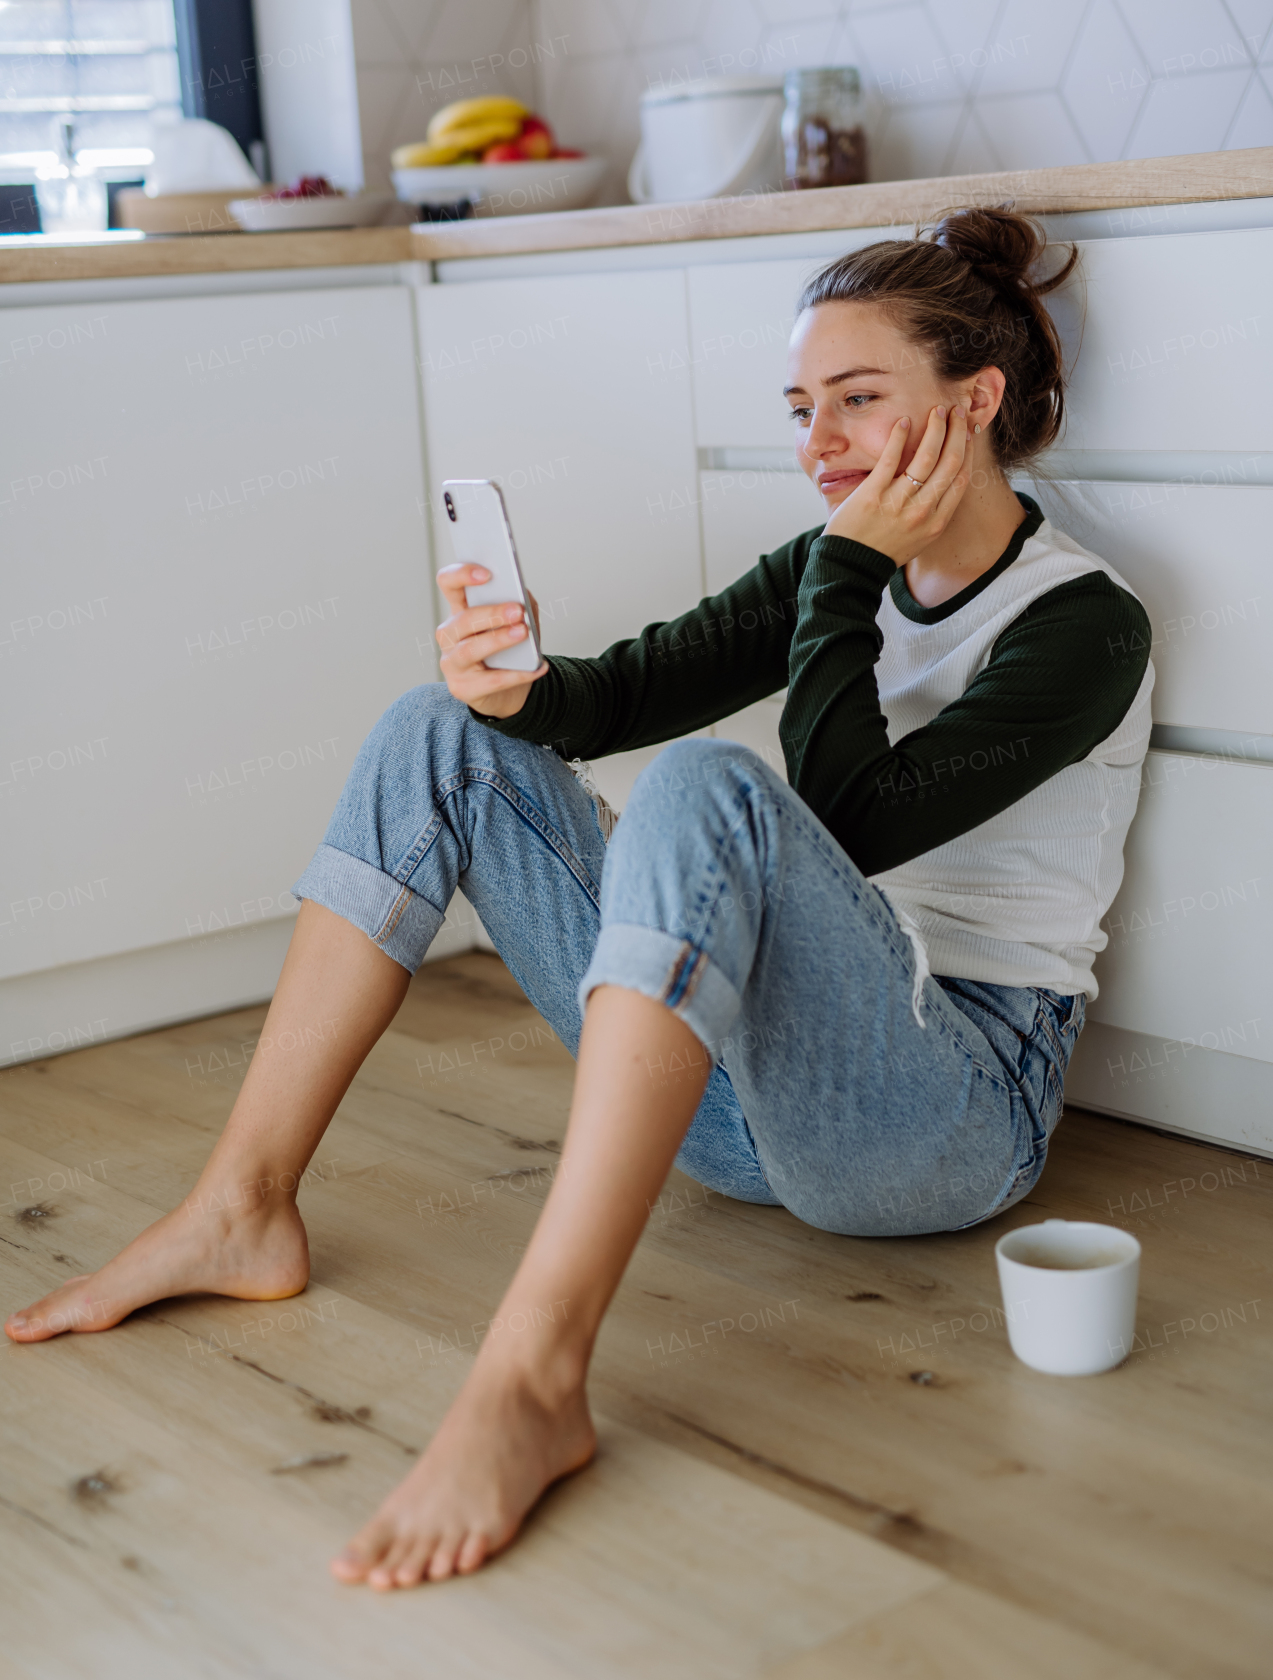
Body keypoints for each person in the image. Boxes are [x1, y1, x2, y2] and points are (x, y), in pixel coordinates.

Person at [6, 207, 1153, 1590]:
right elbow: (611, 698)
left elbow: (849, 819)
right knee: (439, 732)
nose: (821, 442)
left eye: (861, 400)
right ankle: (238, 1206)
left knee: (701, 790)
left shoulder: (1085, 618)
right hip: (744, 1120)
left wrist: (845, 570)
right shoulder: (825, 570)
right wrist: (516, 683)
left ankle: (534, 1375)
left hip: (947, 1116)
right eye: (803, 407)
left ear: (975, 404)